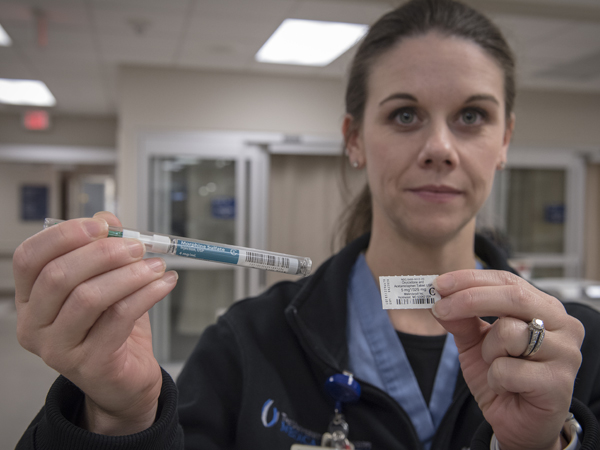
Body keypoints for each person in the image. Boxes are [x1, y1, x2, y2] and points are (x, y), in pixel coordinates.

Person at [13, 0, 600, 449]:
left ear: (505, 141)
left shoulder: (580, 347)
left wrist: (546, 443)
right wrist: (119, 417)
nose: (440, 147)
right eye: (405, 115)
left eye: (472, 116)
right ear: (354, 140)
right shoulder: (249, 341)